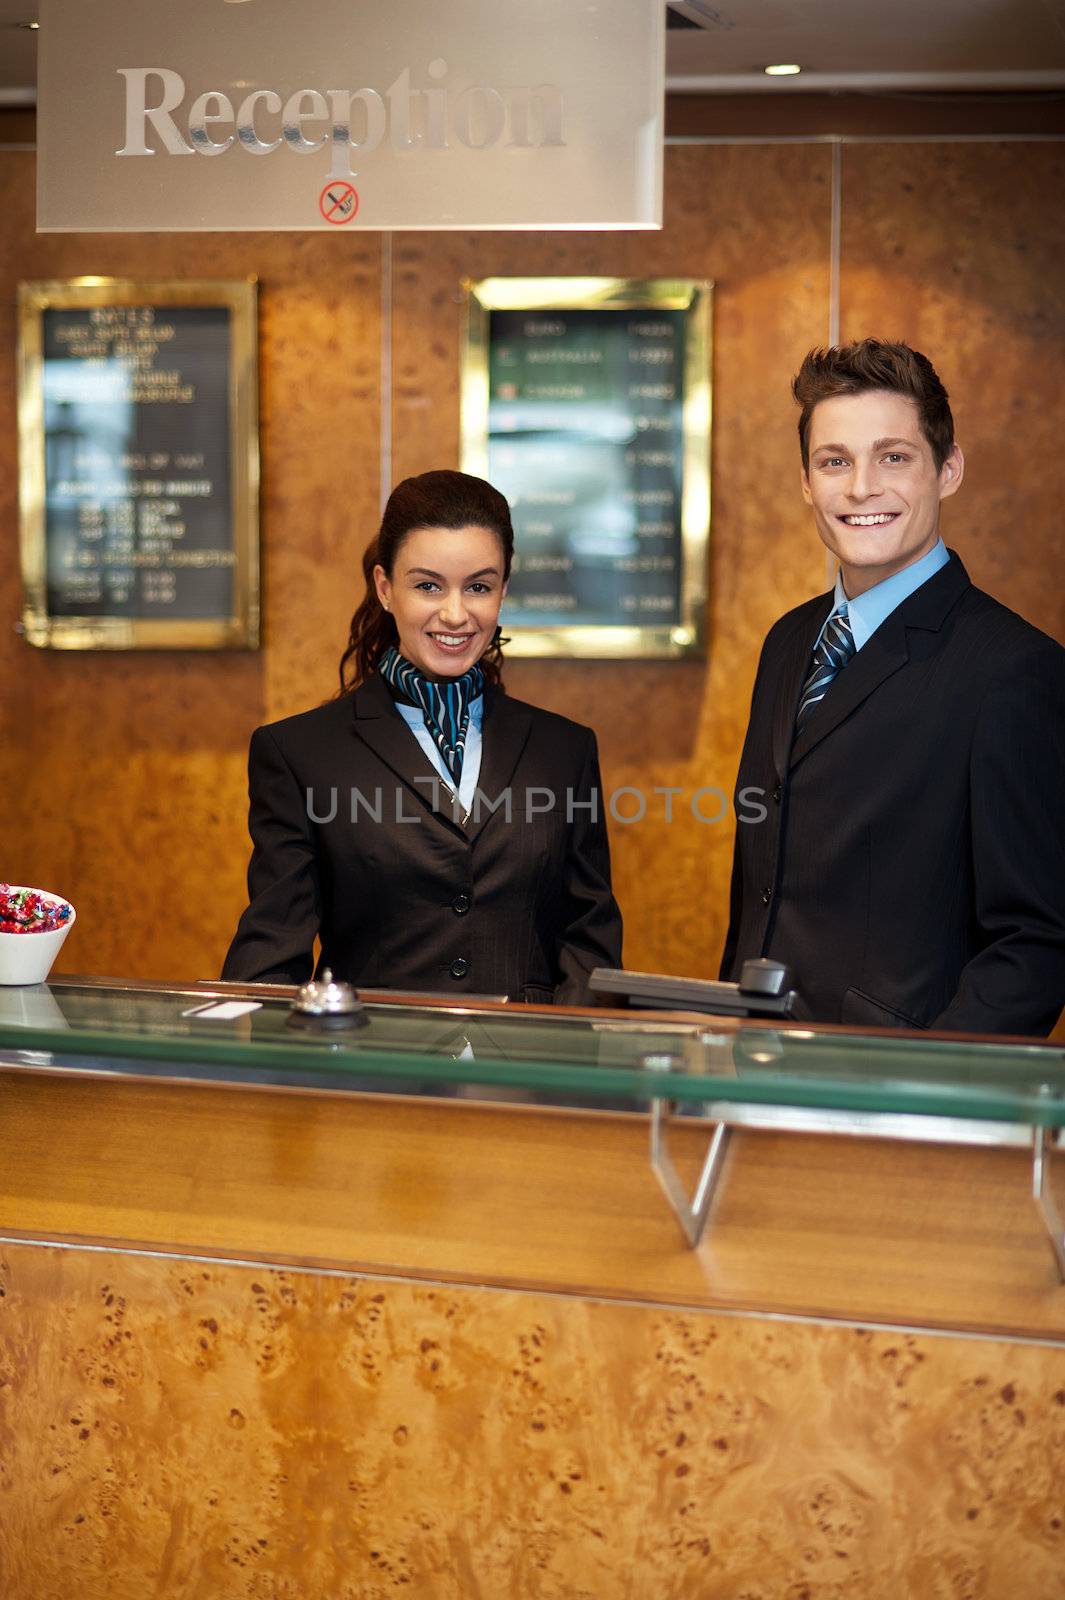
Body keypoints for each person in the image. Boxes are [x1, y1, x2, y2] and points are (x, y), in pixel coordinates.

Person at [720, 339, 1065, 1035]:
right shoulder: (788, 641)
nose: (859, 488)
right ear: (805, 481)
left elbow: (1038, 940)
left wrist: (928, 1089)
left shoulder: (1013, 669)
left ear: (947, 470)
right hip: (758, 1064)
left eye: (893, 457)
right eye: (834, 461)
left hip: (895, 1097)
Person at [222, 470, 622, 1003]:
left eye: (478, 586)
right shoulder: (300, 755)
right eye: (428, 585)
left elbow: (588, 947)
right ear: (386, 588)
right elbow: (269, 958)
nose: (455, 613)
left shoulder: (565, 751)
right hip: (375, 1071)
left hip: (525, 1073)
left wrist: (568, 1068)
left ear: (503, 590)